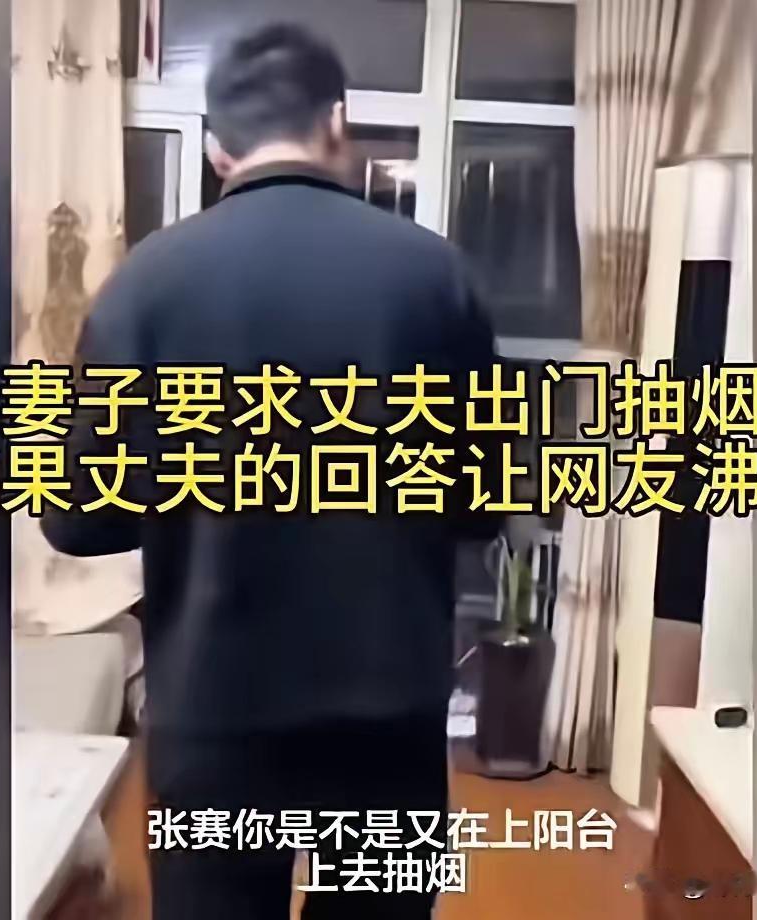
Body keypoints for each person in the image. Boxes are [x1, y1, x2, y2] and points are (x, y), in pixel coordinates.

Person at [43, 22, 498, 920]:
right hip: (386, 712)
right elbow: (480, 505)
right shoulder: (436, 276)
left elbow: (79, 520)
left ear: (218, 147)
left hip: (216, 712)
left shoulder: (145, 284)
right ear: (338, 121)